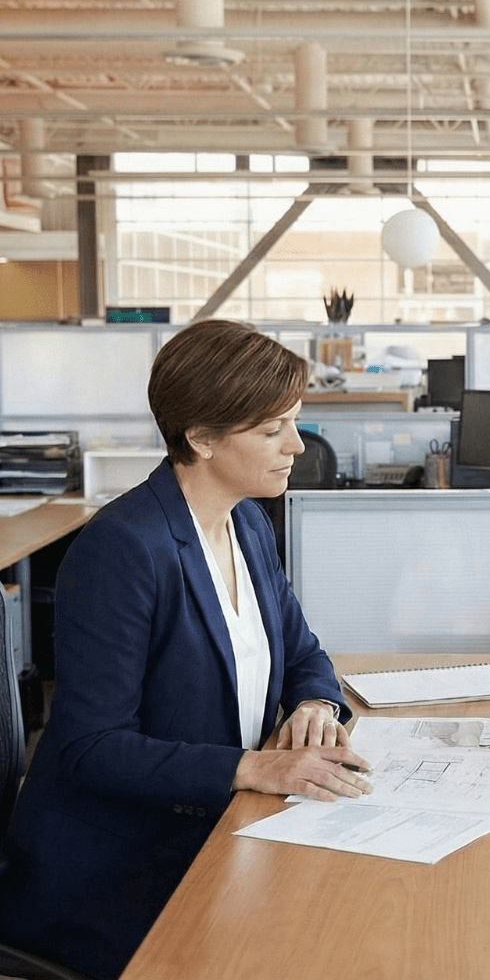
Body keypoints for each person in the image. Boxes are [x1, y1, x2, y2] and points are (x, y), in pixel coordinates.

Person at [0, 320, 373, 980]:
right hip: (122, 869)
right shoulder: (125, 549)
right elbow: (90, 748)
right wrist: (252, 768)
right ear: (200, 439)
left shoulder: (247, 520)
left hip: (219, 831)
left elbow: (302, 649)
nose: (297, 445)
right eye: (271, 429)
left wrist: (315, 699)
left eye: (294, 421)